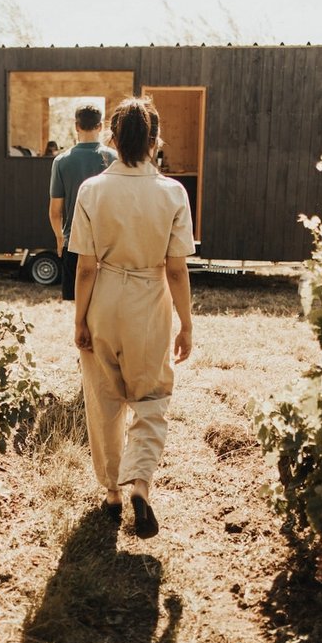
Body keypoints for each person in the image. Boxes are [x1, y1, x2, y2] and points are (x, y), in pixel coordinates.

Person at [67, 96, 195, 538]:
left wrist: (80, 319)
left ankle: (111, 494)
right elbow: (177, 268)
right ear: (155, 141)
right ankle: (140, 482)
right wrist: (187, 322)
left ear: (112, 138)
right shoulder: (173, 193)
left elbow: (84, 267)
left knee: (103, 398)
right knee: (151, 396)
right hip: (149, 299)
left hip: (103, 298)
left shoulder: (92, 190)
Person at [49, 105, 116, 301]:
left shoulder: (61, 161)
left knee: (78, 306)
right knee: (104, 304)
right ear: (101, 126)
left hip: (75, 243)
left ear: (76, 126)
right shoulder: (114, 158)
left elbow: (55, 212)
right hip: (107, 244)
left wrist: (60, 239)